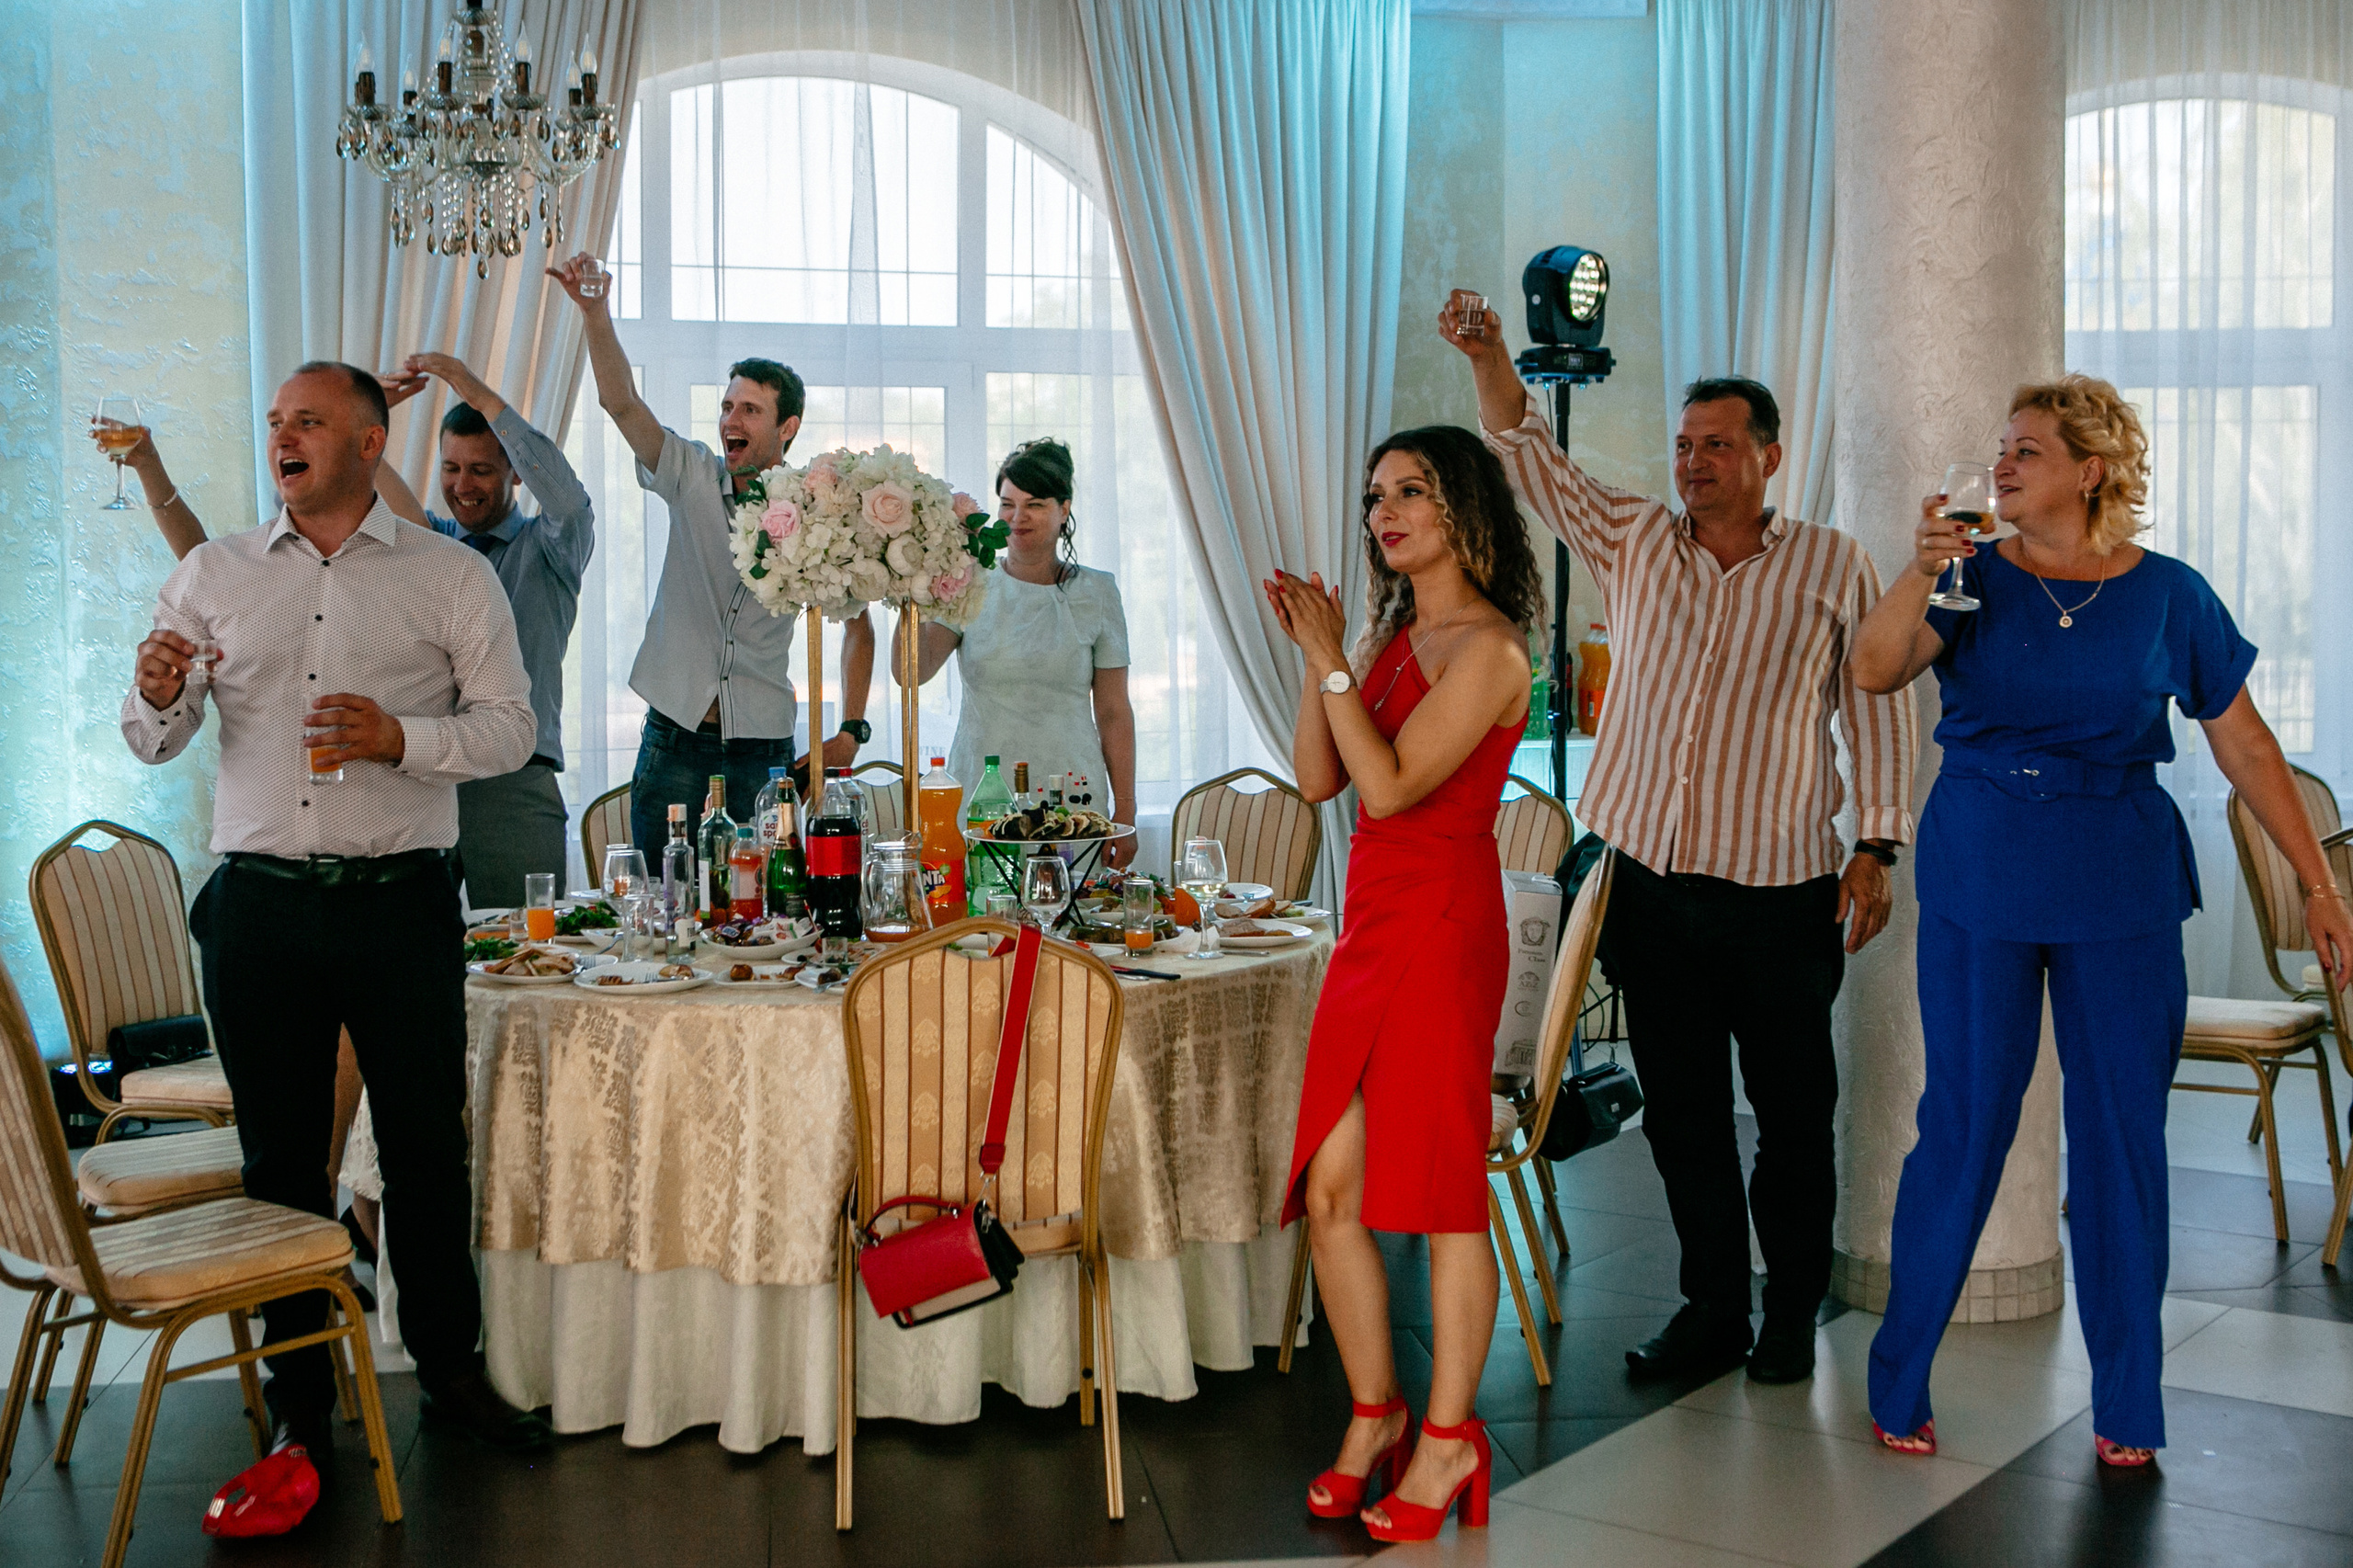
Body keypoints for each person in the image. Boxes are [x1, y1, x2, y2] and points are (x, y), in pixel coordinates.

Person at [1850, 375, 2353, 1466]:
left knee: (2122, 1140)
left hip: (2118, 875)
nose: (2003, 462)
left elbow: (2246, 745)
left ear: (2089, 469)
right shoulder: (1967, 576)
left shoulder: (2169, 594)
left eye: (2026, 447)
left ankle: (2128, 1403)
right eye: (2001, 446)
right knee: (1966, 1123)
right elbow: (1873, 667)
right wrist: (1921, 564)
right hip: (1984, 859)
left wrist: (2319, 883)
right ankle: (1898, 1374)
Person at [1443, 290, 1918, 1386]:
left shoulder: (1832, 564)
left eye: (1717, 444)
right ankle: (1711, 1305)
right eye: (1683, 444)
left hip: (1780, 891)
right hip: (1647, 887)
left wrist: (1878, 844)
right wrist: (1487, 356)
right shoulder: (1633, 536)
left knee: (1794, 1117)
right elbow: (1528, 456)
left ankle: (1788, 1309)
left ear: (1769, 457)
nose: (1693, 462)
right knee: (1684, 1118)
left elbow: (1879, 707)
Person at [121, 361, 551, 1460]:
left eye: (307, 421)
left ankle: (451, 1370)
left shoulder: (450, 577)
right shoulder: (214, 572)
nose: (283, 437)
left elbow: (509, 730)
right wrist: (160, 693)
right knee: (281, 1161)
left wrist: (399, 737)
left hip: (401, 902)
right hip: (260, 909)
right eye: (275, 422)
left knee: (423, 1148)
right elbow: (150, 738)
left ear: (368, 442)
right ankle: (301, 1395)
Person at [1269, 426, 1539, 1543]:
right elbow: (1317, 776)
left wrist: (1336, 657)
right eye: (1377, 493)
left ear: (1463, 509)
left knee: (1436, 1193)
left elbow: (1385, 790)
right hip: (1371, 925)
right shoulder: (1389, 632)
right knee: (1331, 1187)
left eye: (1412, 491)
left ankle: (1445, 1438)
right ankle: (1373, 1414)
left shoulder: (1489, 647)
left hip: (1438, 923)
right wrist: (1317, 654)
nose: (1386, 511)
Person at [100, 350, 596, 910]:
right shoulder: (427, 537)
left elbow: (564, 498)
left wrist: (465, 384)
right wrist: (155, 696)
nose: (463, 484)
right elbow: (235, 589)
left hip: (498, 793)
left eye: (481, 469)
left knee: (515, 963)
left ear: (513, 473)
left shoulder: (520, 552)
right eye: (451, 469)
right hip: (271, 891)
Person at [551, 251, 876, 855]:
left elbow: (860, 628)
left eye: (749, 409)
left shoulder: (820, 510)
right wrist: (595, 313)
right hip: (673, 736)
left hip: (762, 748)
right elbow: (621, 404)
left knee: (764, 908)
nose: (731, 418)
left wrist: (852, 731)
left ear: (788, 427)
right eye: (727, 406)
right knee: (660, 901)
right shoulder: (691, 475)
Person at [897, 437, 1137, 869]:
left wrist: (1127, 810)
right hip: (982, 790)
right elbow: (909, 673)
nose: (1018, 517)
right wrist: (907, 589)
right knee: (981, 922)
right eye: (1008, 504)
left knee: (1069, 925)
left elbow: (1115, 712)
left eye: (1035, 504)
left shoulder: (1098, 592)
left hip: (1073, 794)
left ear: (1064, 509)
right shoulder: (969, 581)